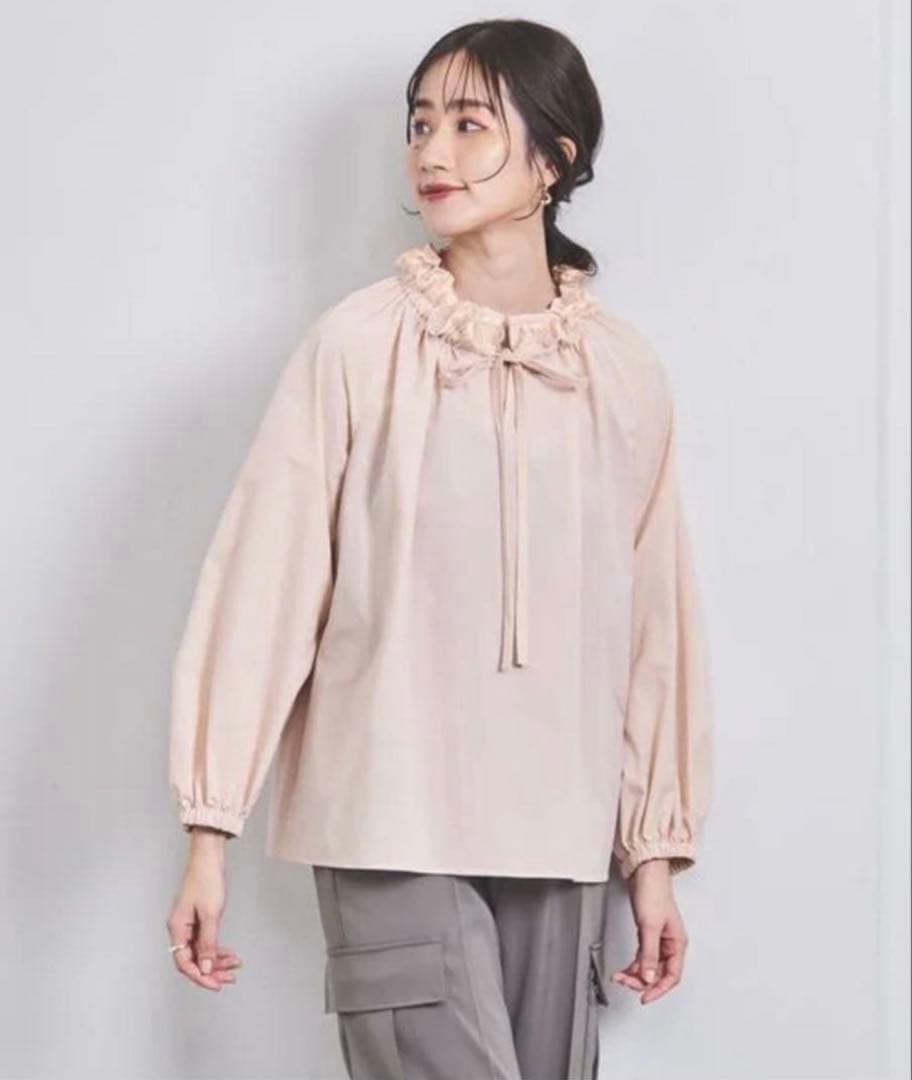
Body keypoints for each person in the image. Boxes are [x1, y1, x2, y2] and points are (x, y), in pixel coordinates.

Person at [165, 18, 714, 1080]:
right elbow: (264, 583)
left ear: (554, 160)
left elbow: (654, 617)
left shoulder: (621, 372)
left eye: (470, 124)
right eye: (420, 124)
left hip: (561, 826)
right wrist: (208, 824)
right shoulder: (357, 346)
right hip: (389, 811)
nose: (433, 152)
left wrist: (653, 853)